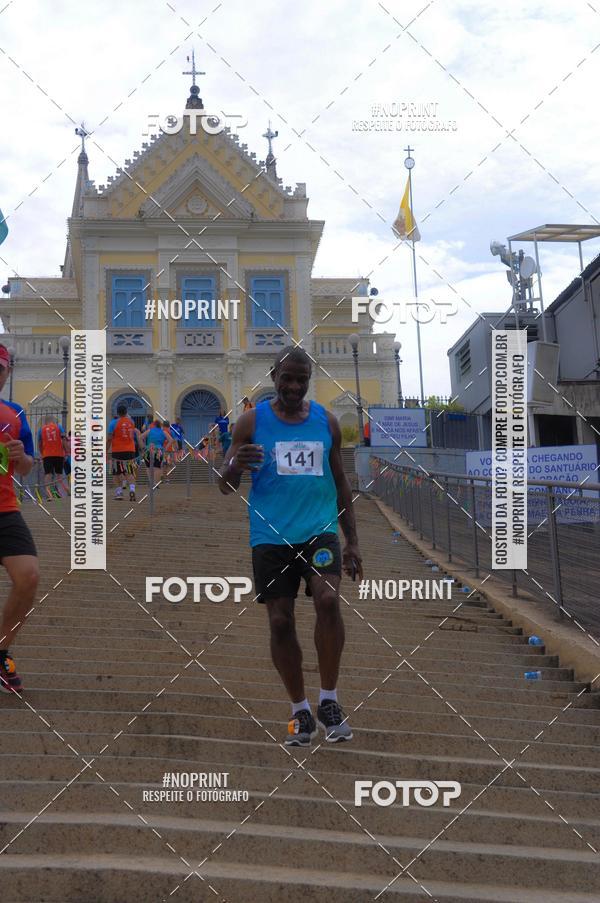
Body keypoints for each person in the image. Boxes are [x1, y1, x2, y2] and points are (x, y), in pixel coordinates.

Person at [219, 345, 363, 746]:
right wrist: (235, 465)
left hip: (320, 530)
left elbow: (340, 481)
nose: (295, 386)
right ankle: (300, 710)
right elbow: (225, 484)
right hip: (270, 537)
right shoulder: (250, 422)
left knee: (328, 600)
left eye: (302, 379)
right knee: (280, 622)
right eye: (287, 378)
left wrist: (353, 541)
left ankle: (329, 701)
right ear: (274, 376)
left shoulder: (326, 422)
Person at [0, 344, 39, 694]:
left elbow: (27, 467)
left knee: (28, 577)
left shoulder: (14, 414)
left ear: (7, 373)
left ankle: (0, 652)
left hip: (5, 509)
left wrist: (20, 456)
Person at [107, 403, 140, 501]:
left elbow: (109, 438)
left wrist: (106, 449)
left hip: (117, 451)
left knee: (116, 473)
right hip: (130, 450)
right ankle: (132, 490)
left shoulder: (113, 423)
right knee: (130, 472)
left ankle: (119, 493)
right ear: (126, 412)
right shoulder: (131, 422)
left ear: (117, 413)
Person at [37, 414, 68, 497]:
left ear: (45, 422)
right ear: (53, 421)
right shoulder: (59, 427)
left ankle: (49, 494)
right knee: (59, 475)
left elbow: (39, 443)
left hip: (47, 455)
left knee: (48, 474)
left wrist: (42, 453)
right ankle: (66, 491)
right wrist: (66, 452)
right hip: (59, 454)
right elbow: (64, 440)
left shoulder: (41, 430)